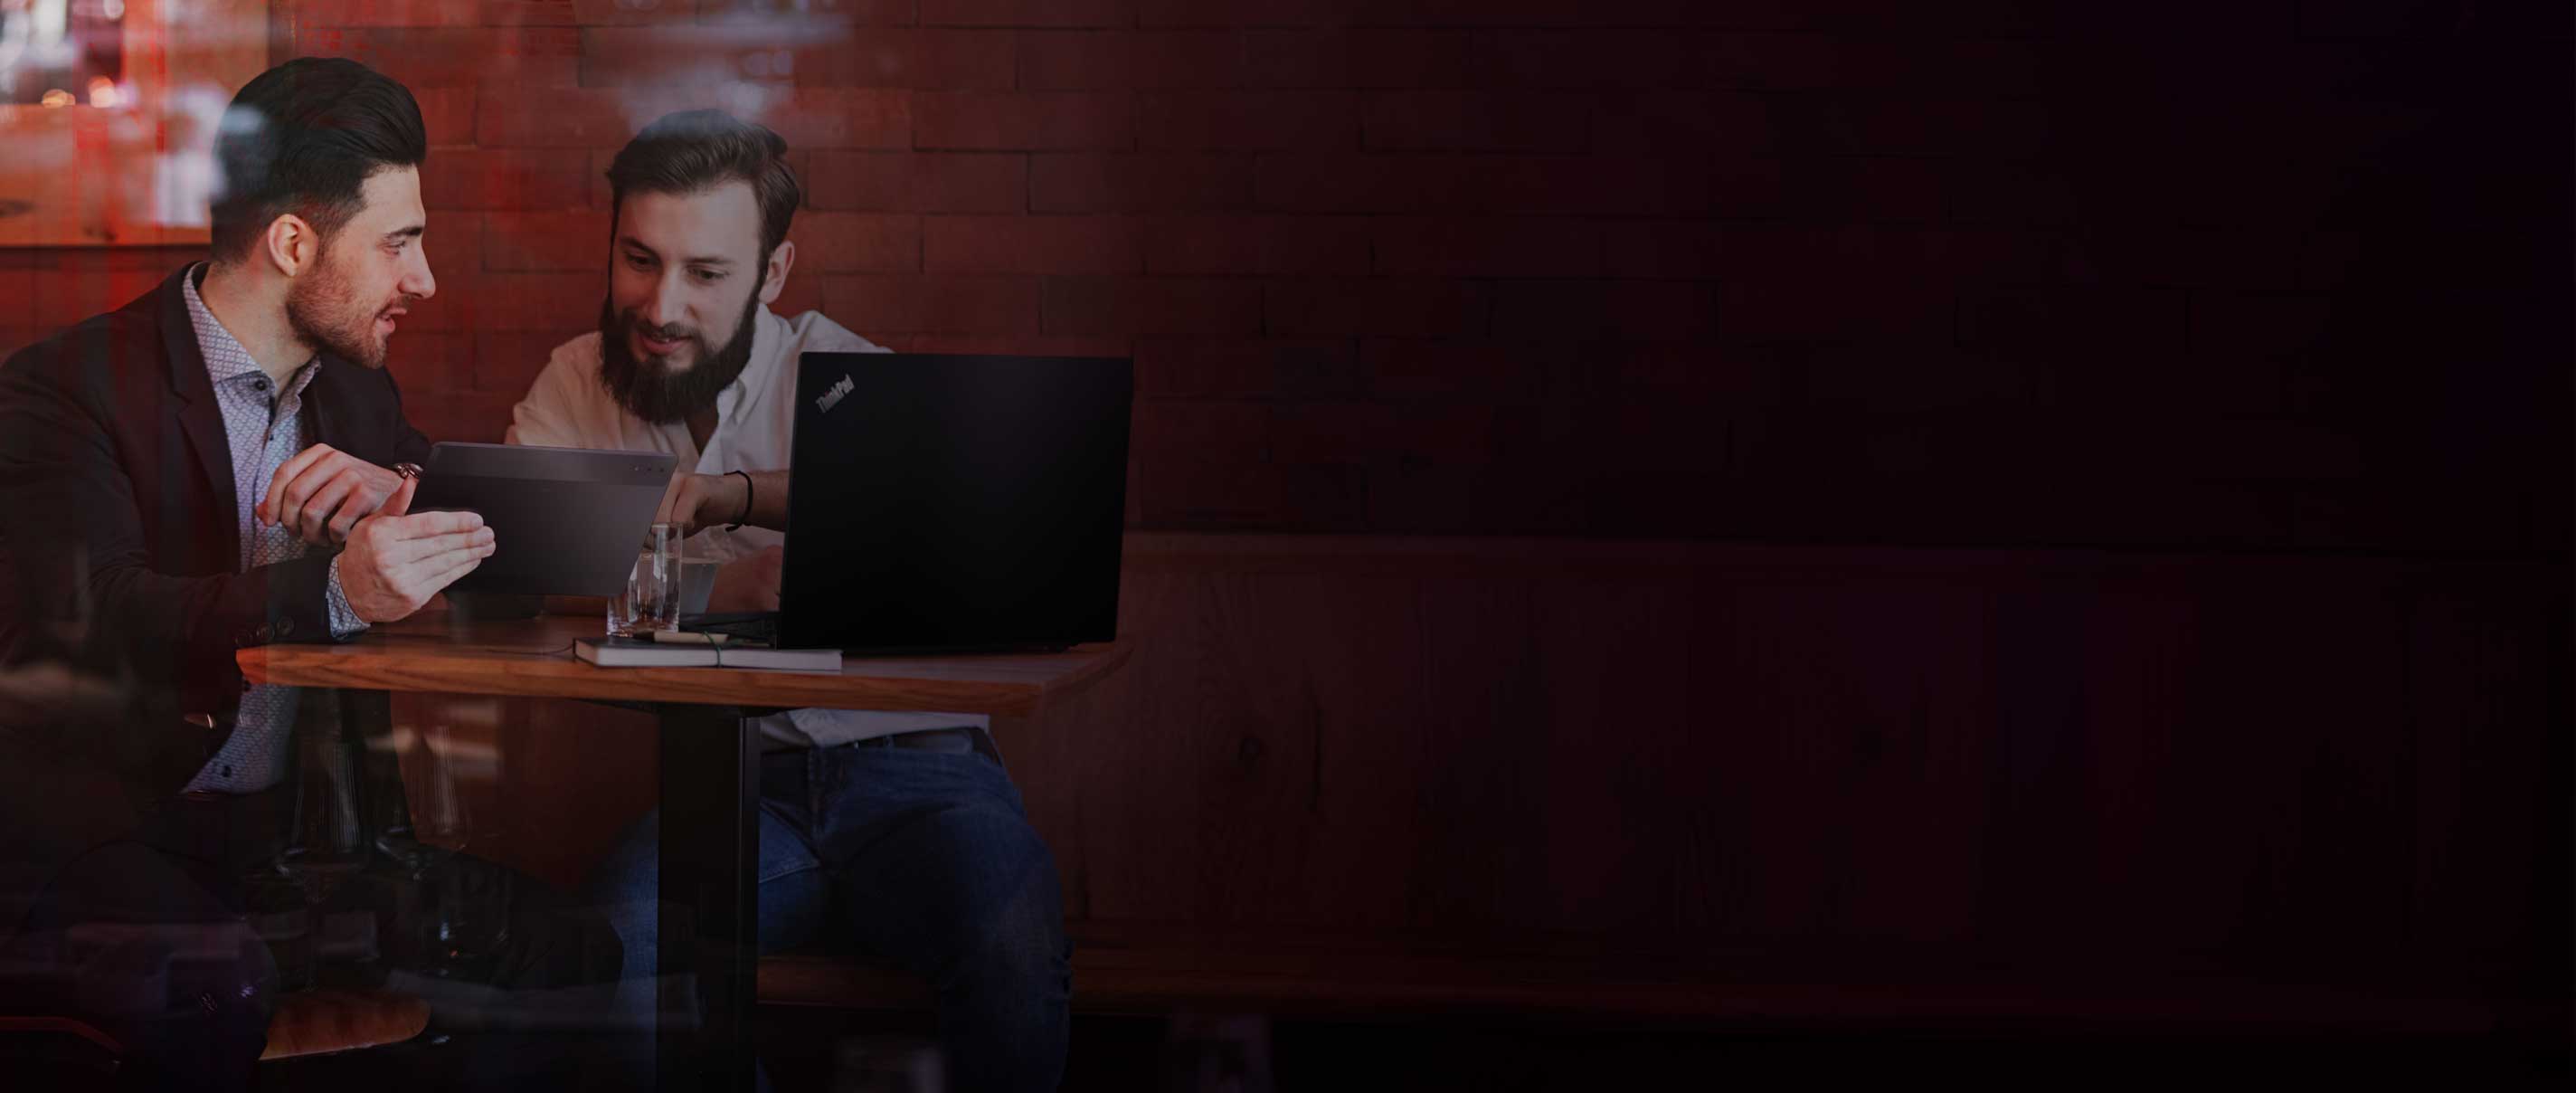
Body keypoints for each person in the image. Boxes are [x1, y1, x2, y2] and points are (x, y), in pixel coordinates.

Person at [0, 57, 616, 1090]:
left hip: (297, 849)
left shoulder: (359, 397)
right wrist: (337, 591)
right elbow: (96, 618)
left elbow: (491, 564)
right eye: (399, 243)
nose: (422, 280)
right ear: (293, 243)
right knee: (216, 985)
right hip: (90, 844)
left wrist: (404, 493)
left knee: (572, 948)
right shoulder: (66, 389)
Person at [507, 109, 1070, 1093]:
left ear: (772, 273)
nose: (662, 304)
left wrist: (740, 497)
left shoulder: (847, 373)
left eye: (706, 273)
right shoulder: (574, 380)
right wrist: (728, 584)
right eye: (639, 259)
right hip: (731, 785)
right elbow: (529, 561)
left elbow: (952, 511)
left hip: (922, 776)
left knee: (1012, 942)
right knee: (617, 950)